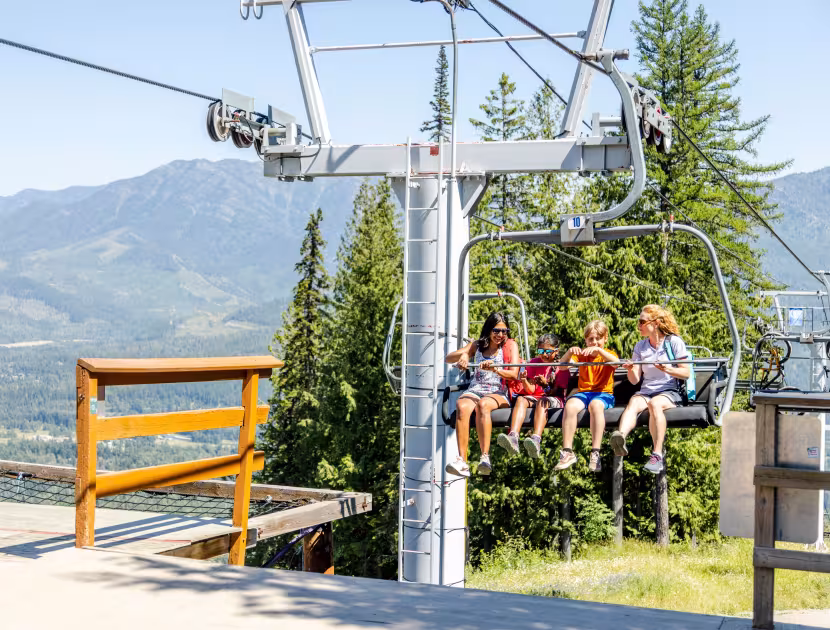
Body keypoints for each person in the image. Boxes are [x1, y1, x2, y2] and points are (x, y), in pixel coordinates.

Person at [611, 304, 690, 474]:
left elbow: (686, 373)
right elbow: (634, 380)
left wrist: (667, 369)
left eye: (642, 321)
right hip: (647, 390)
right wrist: (630, 369)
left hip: (670, 391)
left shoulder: (673, 342)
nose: (638, 325)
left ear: (655, 323)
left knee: (655, 404)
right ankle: (620, 437)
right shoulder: (640, 346)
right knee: (633, 403)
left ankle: (657, 454)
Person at [444, 312, 520, 477]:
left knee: (483, 405)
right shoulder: (478, 345)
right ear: (488, 329)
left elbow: (514, 374)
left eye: (504, 331)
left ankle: (485, 456)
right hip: (476, 388)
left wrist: (495, 369)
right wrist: (465, 354)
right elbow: (448, 358)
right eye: (496, 331)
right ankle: (462, 461)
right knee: (461, 406)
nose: (500, 335)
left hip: (499, 390)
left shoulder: (510, 346)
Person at [554, 320, 618, 473]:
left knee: (595, 405)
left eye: (598, 339)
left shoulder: (608, 354)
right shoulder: (582, 355)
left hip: (604, 394)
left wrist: (600, 352)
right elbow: (562, 367)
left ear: (605, 339)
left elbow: (616, 364)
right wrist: (570, 352)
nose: (594, 342)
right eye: (591, 339)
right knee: (570, 406)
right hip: (584, 393)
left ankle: (595, 451)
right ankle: (568, 451)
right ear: (586, 340)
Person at [497, 333, 570, 460]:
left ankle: (536, 439)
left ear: (556, 351)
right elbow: (530, 390)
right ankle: (513, 437)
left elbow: (555, 393)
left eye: (548, 351)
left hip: (554, 399)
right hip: (536, 397)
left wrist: (545, 385)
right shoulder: (534, 363)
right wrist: (524, 380)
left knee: (543, 401)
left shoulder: (561, 366)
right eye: (541, 350)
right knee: (521, 399)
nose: (544, 354)